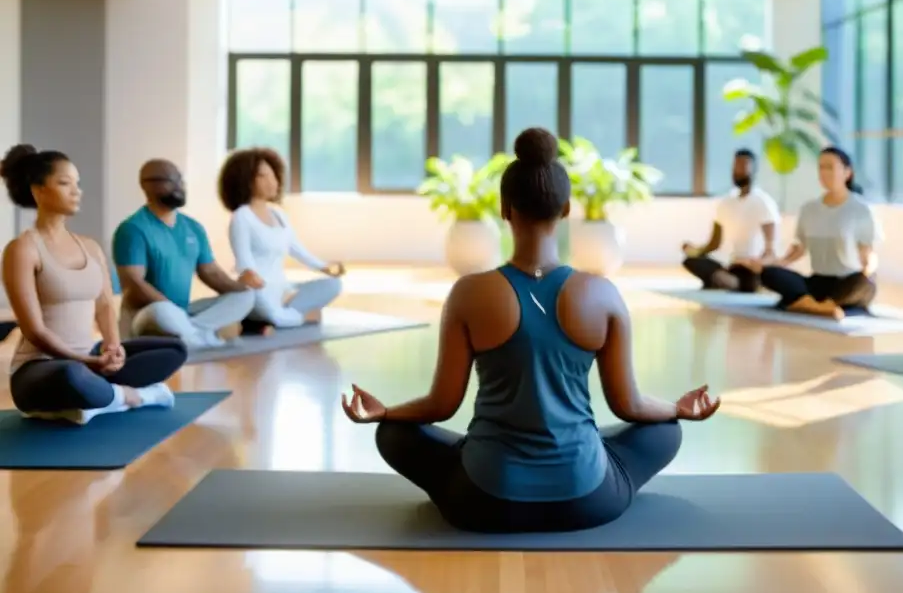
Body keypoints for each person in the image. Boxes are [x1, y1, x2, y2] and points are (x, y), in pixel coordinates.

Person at [340, 127, 720, 534]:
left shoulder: (469, 293)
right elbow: (629, 406)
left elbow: (441, 405)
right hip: (587, 499)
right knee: (664, 432)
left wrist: (387, 413)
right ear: (567, 208)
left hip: (484, 501)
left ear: (505, 209)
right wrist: (677, 411)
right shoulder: (602, 295)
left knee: (394, 435)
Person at [0, 145, 186, 424]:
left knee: (174, 349)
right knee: (71, 375)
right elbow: (34, 331)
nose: (77, 191)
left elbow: (104, 306)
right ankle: (135, 397)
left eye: (78, 183)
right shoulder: (22, 249)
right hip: (40, 370)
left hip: (90, 360)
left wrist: (112, 347)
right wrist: (85, 362)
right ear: (38, 191)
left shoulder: (90, 247)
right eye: (65, 183)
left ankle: (94, 400)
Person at [113, 159, 258, 350]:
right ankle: (198, 335)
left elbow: (211, 273)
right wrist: (173, 311)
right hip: (147, 314)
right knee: (163, 312)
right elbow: (134, 285)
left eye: (180, 180)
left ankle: (192, 335)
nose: (179, 186)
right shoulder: (132, 229)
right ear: (146, 185)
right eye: (170, 181)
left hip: (184, 312)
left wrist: (240, 288)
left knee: (246, 296)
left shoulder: (193, 227)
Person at [218, 147, 343, 332]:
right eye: (263, 176)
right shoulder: (241, 216)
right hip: (257, 292)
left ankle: (277, 319)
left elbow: (297, 249)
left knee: (333, 285)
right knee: (257, 301)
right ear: (245, 180)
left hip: (283, 291)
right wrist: (249, 275)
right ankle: (290, 317)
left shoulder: (279, 215)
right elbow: (244, 261)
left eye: (273, 175)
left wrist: (324, 267)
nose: (272, 181)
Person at [758, 147, 881, 320]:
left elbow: (867, 252)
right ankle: (821, 307)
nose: (824, 172)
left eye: (830, 167)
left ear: (847, 173)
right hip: (817, 282)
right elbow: (799, 248)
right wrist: (776, 264)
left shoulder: (861, 209)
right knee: (768, 273)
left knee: (865, 284)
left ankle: (803, 304)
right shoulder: (809, 209)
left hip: (846, 281)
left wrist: (868, 270)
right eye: (821, 167)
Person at [682, 149, 780, 293]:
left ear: (754, 170)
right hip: (731, 265)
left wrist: (755, 263)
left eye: (743, 166)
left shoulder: (764, 203)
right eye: (736, 166)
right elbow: (714, 243)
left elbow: (771, 252)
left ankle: (729, 283)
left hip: (752, 267)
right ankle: (727, 281)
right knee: (691, 261)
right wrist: (695, 250)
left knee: (755, 276)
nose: (738, 170)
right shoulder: (725, 203)